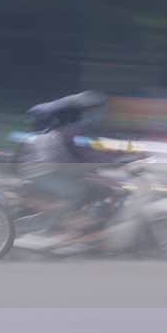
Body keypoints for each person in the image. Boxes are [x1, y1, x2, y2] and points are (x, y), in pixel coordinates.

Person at [16, 91, 111, 239]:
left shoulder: (64, 132)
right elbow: (77, 156)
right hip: (44, 175)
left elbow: (83, 155)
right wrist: (100, 164)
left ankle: (74, 222)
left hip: (47, 172)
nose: (98, 114)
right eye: (93, 110)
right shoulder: (67, 133)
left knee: (90, 186)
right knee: (76, 192)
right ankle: (50, 227)